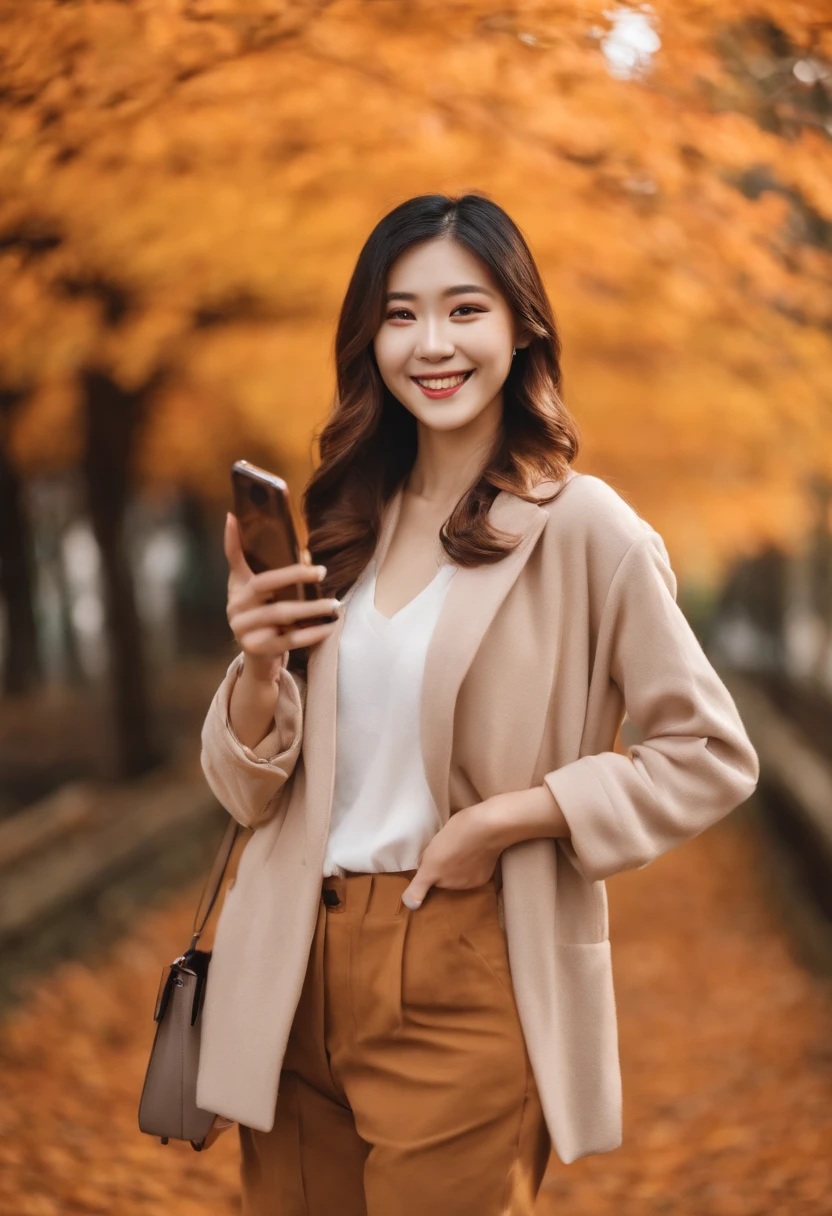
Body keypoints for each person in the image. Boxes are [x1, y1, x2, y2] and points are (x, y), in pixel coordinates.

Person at [196, 193, 759, 1214]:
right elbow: (244, 793)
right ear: (369, 336)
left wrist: (509, 819)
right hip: (288, 968)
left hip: (463, 961)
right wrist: (261, 667)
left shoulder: (585, 528)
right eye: (401, 313)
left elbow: (710, 751)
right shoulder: (339, 523)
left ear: (520, 326)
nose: (432, 343)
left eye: (465, 309)